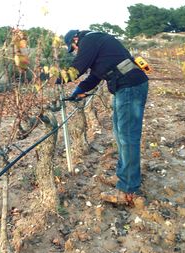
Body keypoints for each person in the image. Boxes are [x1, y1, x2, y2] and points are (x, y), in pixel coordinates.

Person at [60, 29, 149, 206]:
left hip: (129, 87)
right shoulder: (96, 41)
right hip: (124, 87)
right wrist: (81, 89)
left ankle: (129, 189)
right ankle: (124, 178)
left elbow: (77, 68)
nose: (76, 51)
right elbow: (95, 76)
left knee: (127, 137)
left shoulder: (89, 40)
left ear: (76, 40)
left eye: (74, 48)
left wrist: (48, 77)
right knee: (120, 135)